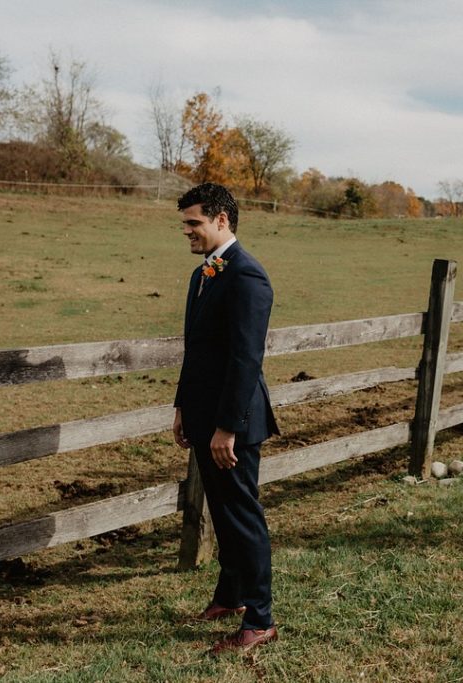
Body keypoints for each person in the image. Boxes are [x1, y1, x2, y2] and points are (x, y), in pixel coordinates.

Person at [172, 182, 280, 654]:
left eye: (194, 223)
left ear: (222, 220)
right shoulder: (205, 273)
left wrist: (226, 427)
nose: (188, 232)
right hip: (202, 415)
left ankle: (261, 619)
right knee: (222, 511)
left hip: (232, 424)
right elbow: (195, 349)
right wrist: (181, 406)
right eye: (185, 225)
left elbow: (245, 359)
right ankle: (231, 595)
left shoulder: (247, 276)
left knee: (241, 516)